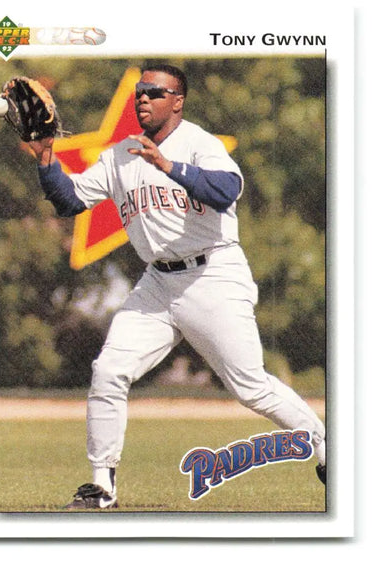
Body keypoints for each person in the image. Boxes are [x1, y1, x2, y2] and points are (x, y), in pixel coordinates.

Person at [29, 64, 326, 510]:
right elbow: (70, 200)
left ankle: (327, 447)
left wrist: (168, 165)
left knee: (251, 387)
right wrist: (45, 157)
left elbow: (226, 190)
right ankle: (101, 486)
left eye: (154, 92)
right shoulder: (120, 154)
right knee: (109, 371)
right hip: (157, 284)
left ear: (177, 101)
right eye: (139, 92)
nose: (143, 98)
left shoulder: (200, 144)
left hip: (213, 274)